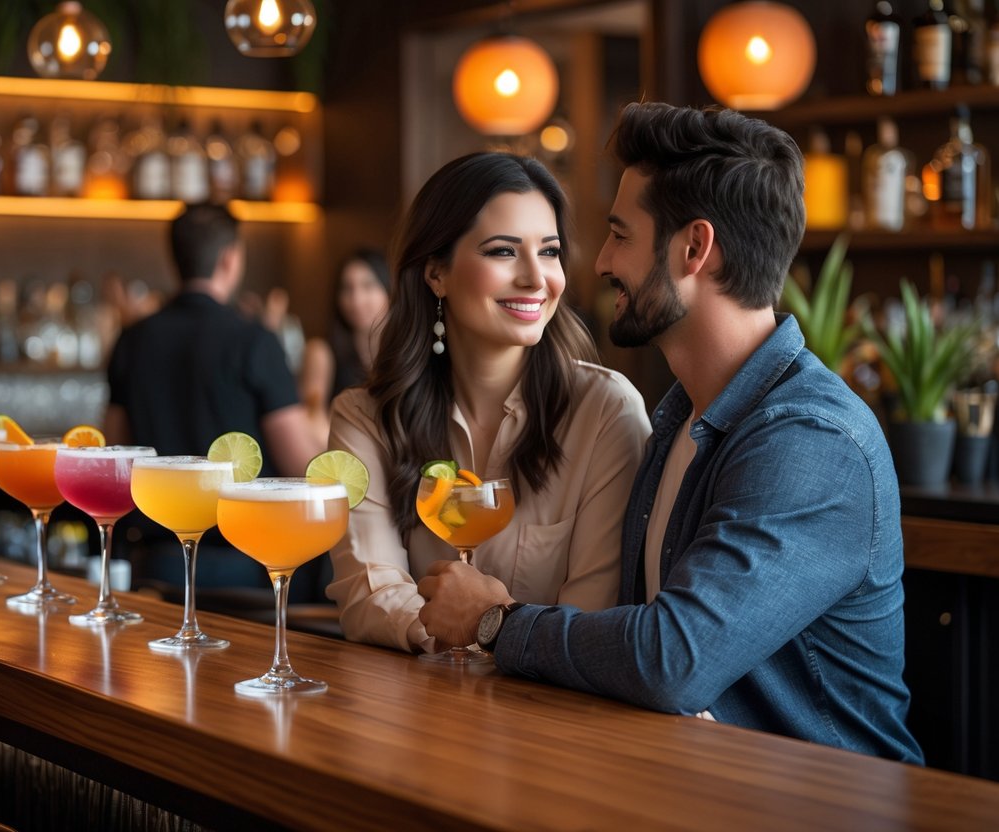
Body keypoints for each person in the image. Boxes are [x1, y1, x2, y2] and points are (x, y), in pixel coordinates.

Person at [418, 103, 923, 764]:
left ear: (693, 249)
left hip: (818, 803)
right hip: (691, 783)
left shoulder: (811, 441)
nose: (598, 263)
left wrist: (493, 622)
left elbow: (671, 659)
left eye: (620, 235)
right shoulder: (679, 415)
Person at [326, 152, 651, 653]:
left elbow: (590, 623)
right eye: (503, 252)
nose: (536, 278)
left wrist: (485, 626)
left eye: (549, 251)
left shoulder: (607, 413)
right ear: (436, 272)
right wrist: (464, 630)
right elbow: (369, 594)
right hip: (417, 714)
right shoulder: (364, 418)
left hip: (552, 719)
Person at [104, 203, 322, 590]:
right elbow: (302, 465)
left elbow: (116, 453)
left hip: (156, 567)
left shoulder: (132, 340)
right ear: (229, 258)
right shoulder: (254, 341)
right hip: (245, 570)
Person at [300, 249, 393, 447]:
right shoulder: (321, 351)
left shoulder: (405, 352)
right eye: (347, 288)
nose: (356, 300)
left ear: (390, 291)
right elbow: (312, 418)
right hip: (341, 457)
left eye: (368, 286)